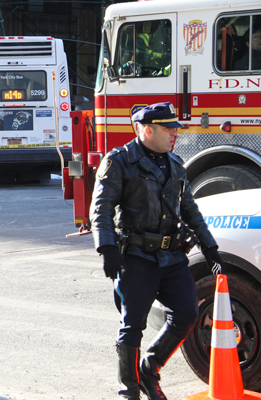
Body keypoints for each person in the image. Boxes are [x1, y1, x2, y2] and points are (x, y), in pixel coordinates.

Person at [89, 102, 225, 400]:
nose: (174, 134)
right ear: (148, 130)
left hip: (172, 256)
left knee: (187, 315)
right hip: (137, 257)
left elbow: (190, 209)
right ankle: (130, 390)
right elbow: (101, 208)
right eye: (168, 129)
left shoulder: (175, 163)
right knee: (132, 325)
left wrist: (210, 246)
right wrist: (107, 247)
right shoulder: (120, 161)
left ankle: (149, 371)